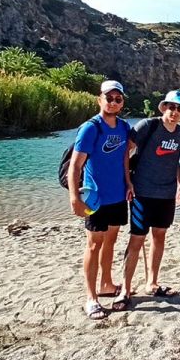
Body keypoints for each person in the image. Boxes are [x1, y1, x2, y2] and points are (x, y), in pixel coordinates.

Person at [112, 89, 180, 311]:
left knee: (160, 236)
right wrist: (128, 183)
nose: (174, 112)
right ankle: (126, 290)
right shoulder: (148, 126)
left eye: (179, 109)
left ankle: (152, 282)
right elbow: (125, 153)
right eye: (171, 107)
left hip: (166, 194)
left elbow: (173, 159)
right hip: (142, 193)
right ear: (164, 107)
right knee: (137, 239)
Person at [67, 80, 133, 320]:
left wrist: (129, 183)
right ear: (100, 99)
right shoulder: (90, 128)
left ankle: (107, 284)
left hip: (117, 195)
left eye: (118, 99)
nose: (113, 102)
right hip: (96, 198)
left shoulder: (124, 127)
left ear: (122, 102)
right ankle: (91, 298)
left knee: (111, 241)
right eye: (109, 98)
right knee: (94, 245)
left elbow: (125, 158)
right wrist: (74, 197)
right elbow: (75, 165)